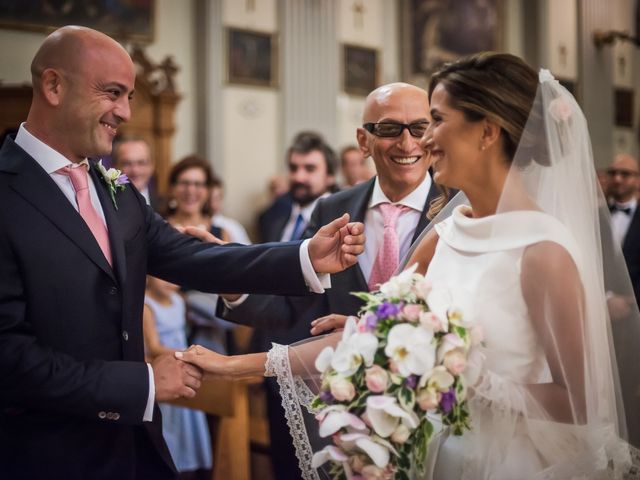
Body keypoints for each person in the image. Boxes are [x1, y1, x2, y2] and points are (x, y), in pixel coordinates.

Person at [177, 53, 640, 479]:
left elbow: (578, 404)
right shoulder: (445, 232)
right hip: (430, 455)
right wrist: (234, 365)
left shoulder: (543, 251)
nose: (425, 140)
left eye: (435, 121)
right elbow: (371, 336)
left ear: (488, 130)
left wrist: (457, 374)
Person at [0, 25, 365, 480]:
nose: (126, 112)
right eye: (113, 93)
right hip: (44, 455)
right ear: (53, 85)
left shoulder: (114, 189)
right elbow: (9, 356)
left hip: (136, 450)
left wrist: (305, 257)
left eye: (130, 96)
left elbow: (195, 257)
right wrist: (146, 383)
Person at [219, 82, 441, 478]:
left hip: (433, 406)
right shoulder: (333, 208)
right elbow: (296, 303)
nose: (407, 142)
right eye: (389, 129)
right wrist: (231, 283)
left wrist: (366, 329)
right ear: (364, 140)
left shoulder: (460, 206)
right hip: (343, 411)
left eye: (419, 128)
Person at [143, 276, 213, 479]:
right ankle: (170, 464)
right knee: (168, 423)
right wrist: (187, 354)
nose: (168, 282)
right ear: (148, 276)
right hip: (166, 366)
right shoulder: (146, 306)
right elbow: (154, 346)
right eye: (161, 276)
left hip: (183, 363)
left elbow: (183, 332)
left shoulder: (179, 301)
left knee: (187, 422)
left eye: (173, 278)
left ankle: (188, 466)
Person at [257, 131, 338, 243]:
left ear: (330, 176)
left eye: (310, 169)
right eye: (293, 168)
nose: (298, 177)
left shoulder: (339, 220)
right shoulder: (276, 213)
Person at [112, 135, 165, 211]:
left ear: (152, 166)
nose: (135, 171)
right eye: (127, 163)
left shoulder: (164, 208)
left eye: (141, 163)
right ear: (115, 167)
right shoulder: (105, 205)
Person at [209, 176, 251, 245]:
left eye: (216, 198)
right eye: (209, 199)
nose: (212, 204)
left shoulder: (232, 227)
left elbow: (248, 251)